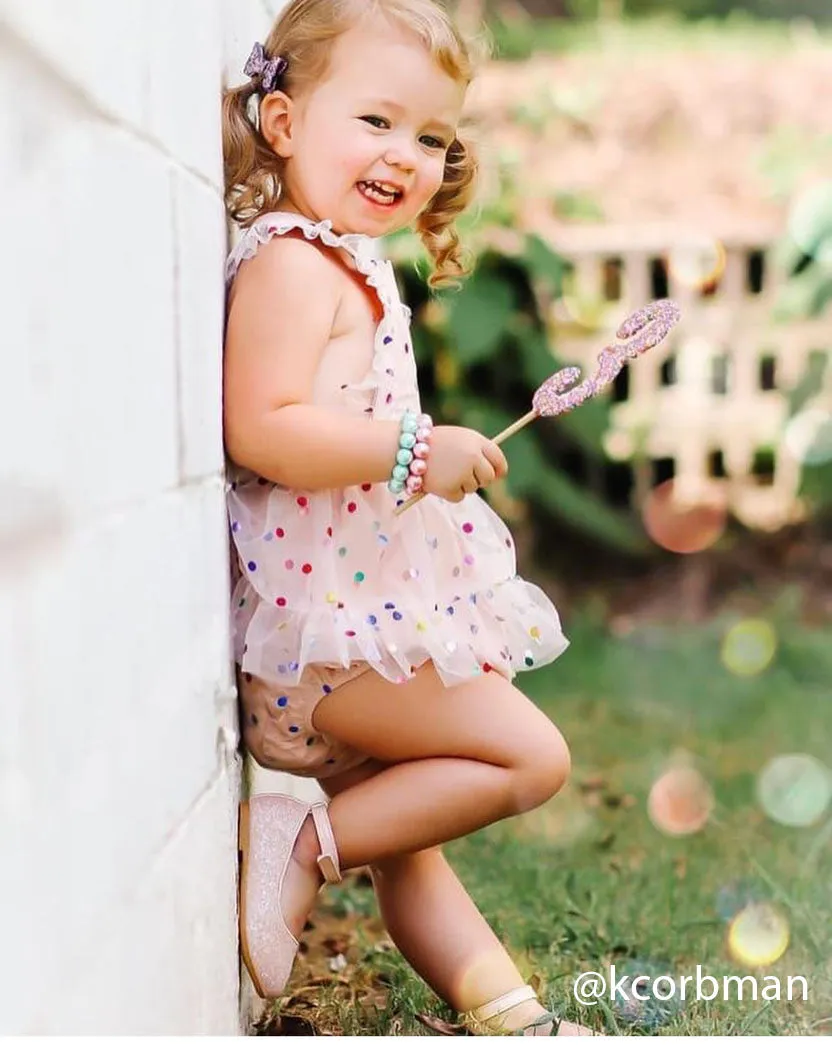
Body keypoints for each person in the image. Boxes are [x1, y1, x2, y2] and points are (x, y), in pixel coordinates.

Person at [222, 0, 594, 1035]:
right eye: (377, 121)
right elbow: (261, 426)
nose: (407, 155)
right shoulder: (292, 264)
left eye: (431, 136)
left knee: (409, 840)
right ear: (285, 123)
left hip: (353, 622)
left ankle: (508, 1012)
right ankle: (301, 842)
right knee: (528, 757)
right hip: (323, 644)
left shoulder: (346, 260)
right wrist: (412, 450)